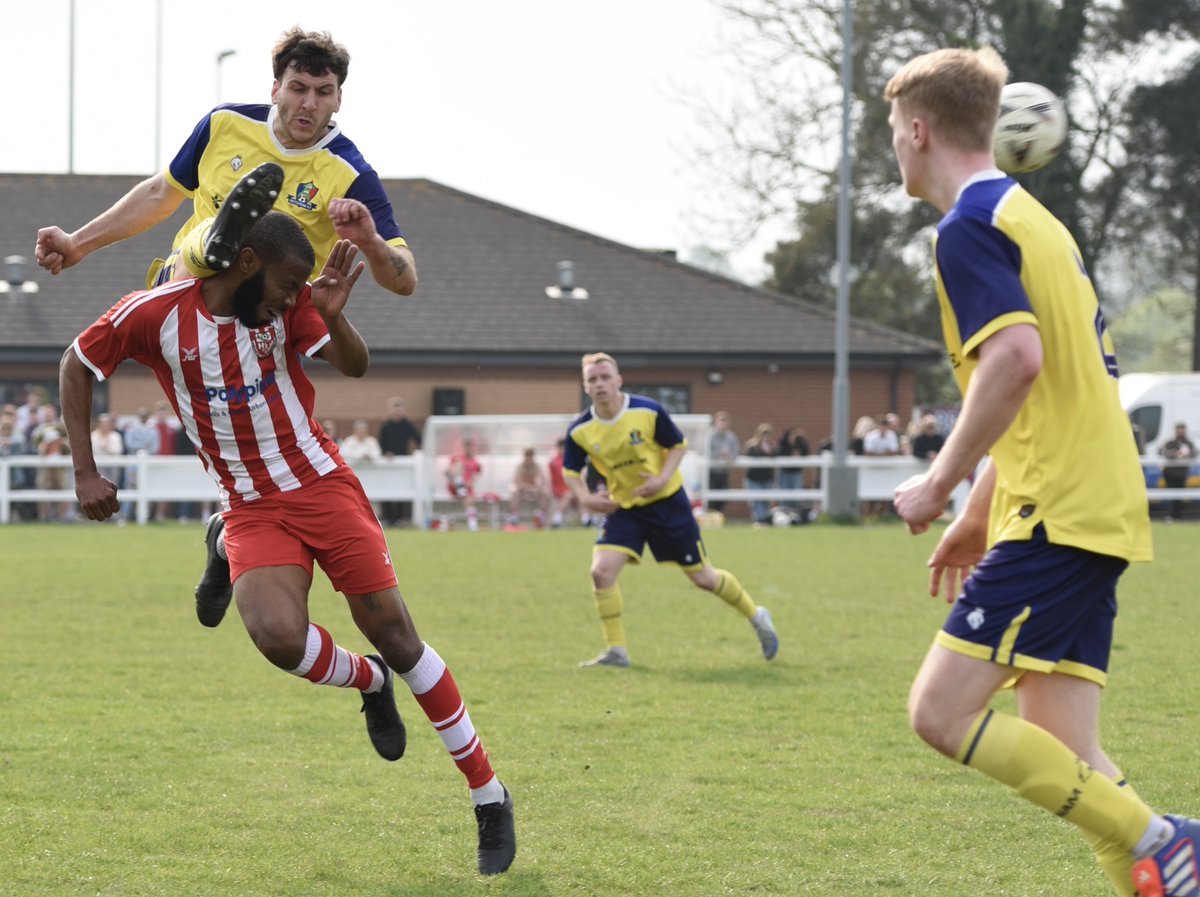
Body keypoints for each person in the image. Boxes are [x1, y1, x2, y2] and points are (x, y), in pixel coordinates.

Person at [58, 206, 515, 875]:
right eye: (282, 285)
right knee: (276, 637)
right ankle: (367, 678)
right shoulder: (155, 312)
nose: (287, 298)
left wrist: (333, 315)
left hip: (322, 485)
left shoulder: (294, 302)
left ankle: (489, 794)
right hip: (250, 504)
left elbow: (355, 366)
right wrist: (84, 469)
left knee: (397, 633)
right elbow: (75, 364)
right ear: (246, 263)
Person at [885, 46, 1195, 897]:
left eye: (893, 134)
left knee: (939, 713)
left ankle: (1167, 840)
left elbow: (1016, 361)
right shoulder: (1038, 221)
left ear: (918, 131)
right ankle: (1163, 875)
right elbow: (1047, 383)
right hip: (1083, 504)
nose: (895, 151)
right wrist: (981, 509)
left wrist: (940, 479)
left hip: (1059, 510)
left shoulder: (966, 229)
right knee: (1067, 752)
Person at [35, 27, 417, 298]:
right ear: (275, 89)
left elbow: (405, 280)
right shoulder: (225, 124)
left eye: (323, 92)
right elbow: (159, 195)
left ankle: (234, 242)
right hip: (185, 290)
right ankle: (217, 240)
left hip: (267, 320)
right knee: (207, 250)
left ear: (339, 100)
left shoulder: (352, 174)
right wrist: (77, 244)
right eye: (298, 88)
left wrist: (370, 240)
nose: (309, 104)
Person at [562, 353, 778, 668]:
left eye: (605, 377)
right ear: (585, 386)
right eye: (592, 379)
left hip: (667, 504)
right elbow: (570, 470)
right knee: (601, 571)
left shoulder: (647, 411)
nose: (599, 384)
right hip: (624, 508)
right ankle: (617, 651)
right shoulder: (580, 429)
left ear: (618, 380)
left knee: (703, 578)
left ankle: (756, 615)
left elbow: (677, 445)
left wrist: (662, 478)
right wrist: (585, 497)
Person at [378, 397, 421, 526]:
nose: (397, 411)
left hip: (403, 461)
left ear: (403, 410)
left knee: (403, 488)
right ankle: (388, 518)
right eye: (394, 408)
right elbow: (381, 443)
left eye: (399, 408)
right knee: (386, 489)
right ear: (390, 410)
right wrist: (386, 452)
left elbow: (419, 439)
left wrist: (417, 453)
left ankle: (399, 518)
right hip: (388, 463)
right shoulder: (385, 426)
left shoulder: (408, 425)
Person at [1158, 422, 1195, 521]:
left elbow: (1194, 452)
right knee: (1171, 494)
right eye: (1179, 430)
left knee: (1180, 495)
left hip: (1182, 473)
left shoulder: (1188, 443)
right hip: (1170, 473)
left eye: (1182, 430)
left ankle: (1178, 516)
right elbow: (1162, 451)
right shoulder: (1170, 443)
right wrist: (1173, 454)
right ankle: (1172, 515)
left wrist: (1186, 455)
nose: (1180, 432)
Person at [445, 437, 483, 532]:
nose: (468, 448)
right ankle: (459, 486)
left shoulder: (475, 462)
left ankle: (472, 525)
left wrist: (469, 484)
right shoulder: (458, 458)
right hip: (455, 486)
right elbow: (448, 471)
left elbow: (475, 478)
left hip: (467, 489)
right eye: (467, 446)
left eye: (470, 446)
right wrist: (453, 479)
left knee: (469, 499)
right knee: (458, 464)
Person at [742, 423, 777, 525]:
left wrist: (771, 451)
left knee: (766, 501)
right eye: (763, 434)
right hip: (753, 478)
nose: (765, 437)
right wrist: (762, 451)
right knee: (757, 501)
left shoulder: (772, 446)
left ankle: (763, 520)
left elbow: (777, 454)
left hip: (767, 478)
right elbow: (750, 455)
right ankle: (760, 521)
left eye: (768, 434)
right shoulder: (752, 446)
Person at [507, 447, 549, 528]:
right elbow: (517, 482)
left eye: (531, 457)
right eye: (528, 457)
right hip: (523, 491)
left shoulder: (537, 466)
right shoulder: (520, 467)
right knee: (515, 493)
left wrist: (536, 487)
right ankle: (514, 516)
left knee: (544, 494)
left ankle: (542, 516)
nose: (529, 460)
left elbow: (542, 481)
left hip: (535, 492)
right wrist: (529, 488)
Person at [706, 411, 740, 513]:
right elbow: (706, 452)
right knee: (711, 497)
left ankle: (718, 514)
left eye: (724, 422)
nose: (722, 424)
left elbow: (736, 453)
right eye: (720, 422)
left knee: (723, 496)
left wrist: (729, 457)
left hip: (724, 472)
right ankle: (711, 515)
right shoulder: (710, 436)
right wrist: (719, 454)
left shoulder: (732, 437)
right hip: (712, 473)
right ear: (716, 423)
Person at [777, 426, 811, 519]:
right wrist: (790, 451)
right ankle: (784, 515)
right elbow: (780, 452)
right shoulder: (784, 443)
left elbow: (806, 453)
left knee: (797, 495)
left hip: (796, 473)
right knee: (784, 496)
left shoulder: (801, 443)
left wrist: (801, 443)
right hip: (785, 472)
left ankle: (796, 516)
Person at [547, 438, 576, 527]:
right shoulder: (555, 461)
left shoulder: (571, 459)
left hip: (571, 488)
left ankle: (586, 519)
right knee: (569, 494)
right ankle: (557, 519)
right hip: (560, 489)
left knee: (580, 497)